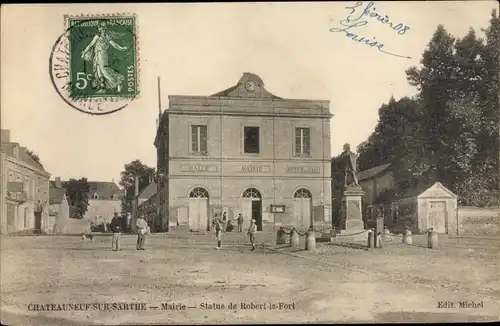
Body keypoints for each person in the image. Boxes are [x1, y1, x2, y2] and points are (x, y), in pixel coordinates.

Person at [80, 22, 128, 93]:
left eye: (104, 27)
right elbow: (90, 45)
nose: (102, 29)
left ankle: (118, 83)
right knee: (98, 71)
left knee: (104, 71)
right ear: (99, 28)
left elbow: (115, 45)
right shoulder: (97, 36)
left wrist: (122, 48)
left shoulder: (107, 37)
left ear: (105, 28)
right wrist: (84, 53)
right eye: (101, 27)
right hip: (97, 55)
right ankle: (103, 88)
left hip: (103, 55)